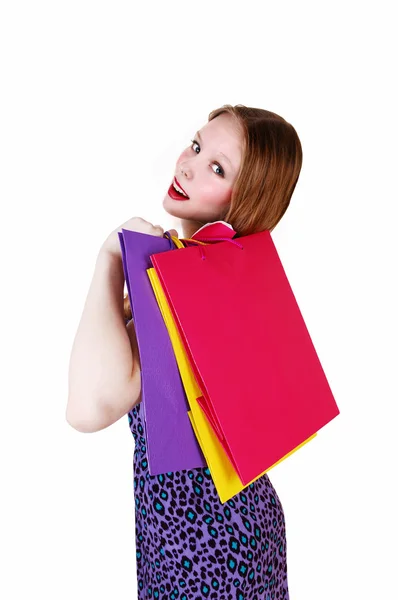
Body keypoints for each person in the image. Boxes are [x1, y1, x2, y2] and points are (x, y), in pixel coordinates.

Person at [66, 104, 303, 599]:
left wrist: (110, 256)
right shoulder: (235, 283)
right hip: (229, 529)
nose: (188, 166)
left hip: (201, 547)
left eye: (218, 168)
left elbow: (88, 410)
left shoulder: (186, 282)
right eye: (196, 146)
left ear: (248, 198)